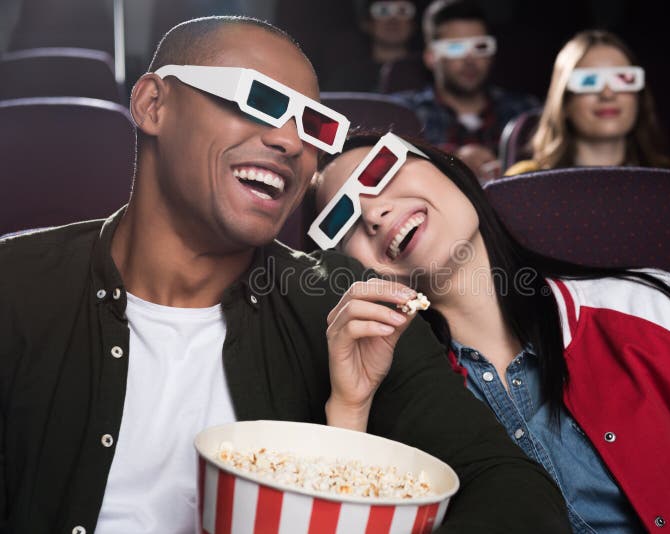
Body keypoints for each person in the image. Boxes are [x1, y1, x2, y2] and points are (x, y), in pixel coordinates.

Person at [0, 16, 572, 534]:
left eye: (315, 128)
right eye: (259, 101)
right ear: (154, 104)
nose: (290, 141)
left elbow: (513, 488)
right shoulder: (16, 285)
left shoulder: (340, 299)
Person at [310, 130, 670, 533]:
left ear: (445, 166)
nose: (373, 213)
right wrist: (350, 409)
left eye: (381, 171)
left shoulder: (643, 305)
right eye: (342, 218)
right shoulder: (392, 395)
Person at [505, 29, 670, 175]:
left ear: (639, 98)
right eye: (589, 81)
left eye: (623, 79)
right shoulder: (522, 183)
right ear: (563, 103)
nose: (607, 94)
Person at [395, 0, 538, 182]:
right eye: (456, 48)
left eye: (480, 46)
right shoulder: (403, 114)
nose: (470, 59)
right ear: (431, 57)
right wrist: (451, 158)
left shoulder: (524, 112)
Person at [318, 0, 418, 91]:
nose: (393, 20)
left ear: (413, 24)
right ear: (367, 23)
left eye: (402, 11)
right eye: (382, 11)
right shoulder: (348, 79)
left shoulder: (427, 77)